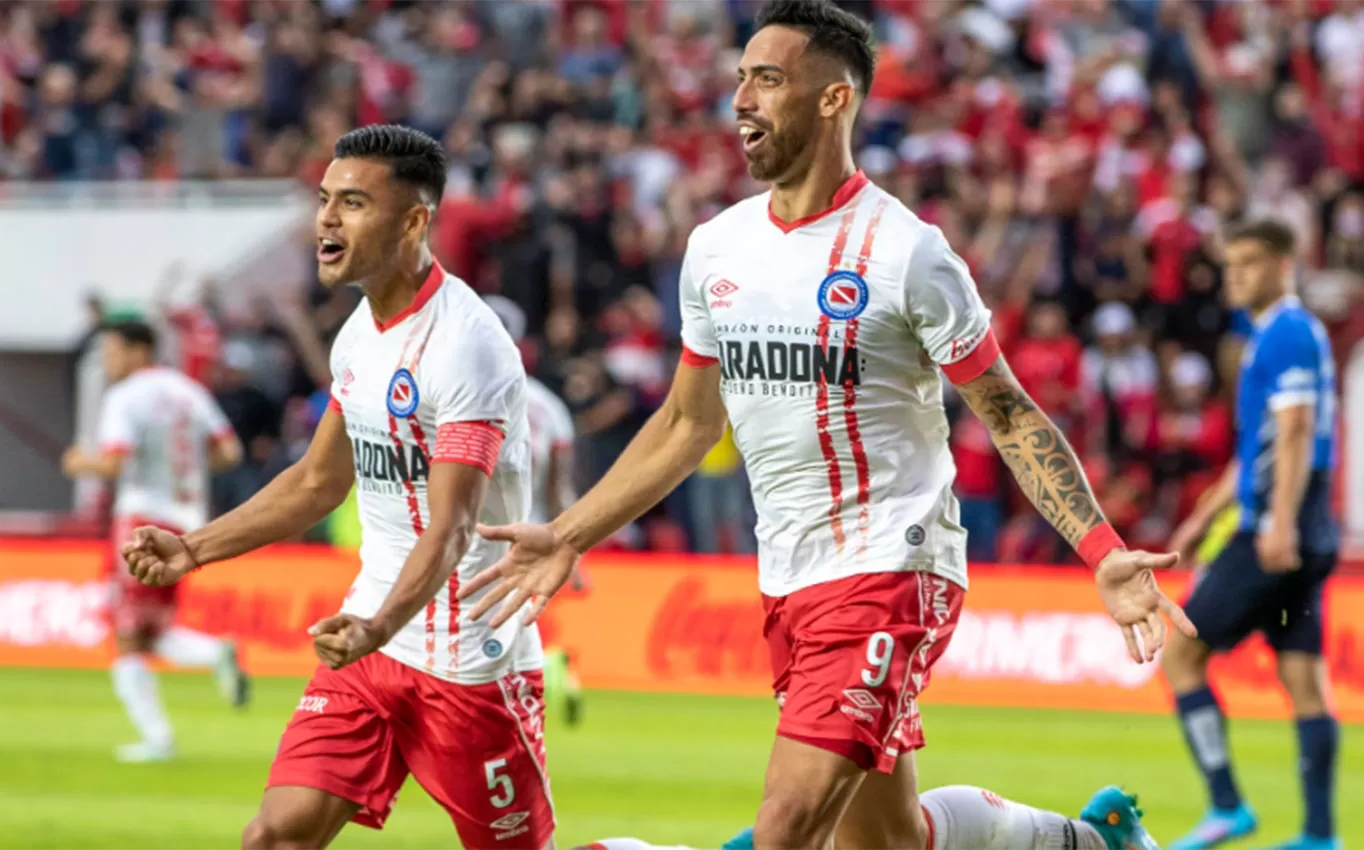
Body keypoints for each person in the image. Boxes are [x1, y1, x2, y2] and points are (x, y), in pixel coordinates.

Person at [465, 3, 1191, 850]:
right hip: (791, 575)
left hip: (893, 562)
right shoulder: (716, 249)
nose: (741, 98)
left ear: (833, 99)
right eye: (740, 78)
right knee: (883, 841)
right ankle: (1096, 841)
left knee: (787, 829)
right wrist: (568, 533)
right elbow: (685, 424)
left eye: (767, 79)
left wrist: (1103, 552)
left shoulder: (906, 252)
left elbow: (1008, 411)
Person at [120, 125, 553, 850]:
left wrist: (378, 625)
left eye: (352, 203)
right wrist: (193, 549)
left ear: (414, 220)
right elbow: (319, 481)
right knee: (276, 835)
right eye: (325, 199)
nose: (326, 218)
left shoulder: (468, 346)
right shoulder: (358, 334)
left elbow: (450, 529)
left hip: (468, 656)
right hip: (371, 647)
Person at [1163, 220, 1340, 850]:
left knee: (1180, 653)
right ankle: (1319, 834)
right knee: (1303, 678)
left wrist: (1278, 520)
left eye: (1248, 263)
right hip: (1305, 532)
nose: (1235, 276)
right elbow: (1255, 450)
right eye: (1230, 264)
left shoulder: (1287, 333)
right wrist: (1202, 517)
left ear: (1283, 263)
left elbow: (1295, 432)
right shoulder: (1275, 336)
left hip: (1276, 531)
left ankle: (1226, 806)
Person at [62, 320, 250, 762]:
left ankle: (157, 739)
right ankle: (213, 653)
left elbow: (111, 464)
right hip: (187, 520)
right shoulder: (190, 392)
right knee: (154, 630)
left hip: (141, 521)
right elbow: (229, 453)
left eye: (112, 352)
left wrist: (78, 464)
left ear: (138, 351)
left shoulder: (125, 396)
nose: (108, 362)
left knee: (127, 636)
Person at [485, 294, 588, 726]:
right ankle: (549, 667)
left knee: (480, 634)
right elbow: (559, 488)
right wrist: (571, 545)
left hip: (480, 534)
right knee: (504, 627)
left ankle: (542, 672)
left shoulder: (454, 397)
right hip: (533, 533)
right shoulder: (549, 408)